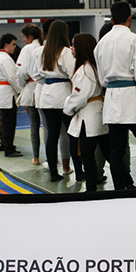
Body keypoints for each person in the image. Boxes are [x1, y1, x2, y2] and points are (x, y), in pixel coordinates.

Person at [94, 1, 136, 189]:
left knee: (116, 149)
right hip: (133, 99)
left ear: (112, 19)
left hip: (112, 98)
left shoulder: (101, 44)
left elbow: (102, 80)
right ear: (130, 18)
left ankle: (119, 190)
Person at [64, 33, 110, 192]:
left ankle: (91, 188)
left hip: (88, 116)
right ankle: (126, 181)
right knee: (107, 152)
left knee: (87, 154)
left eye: (74, 45)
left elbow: (79, 96)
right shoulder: (93, 67)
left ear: (81, 48)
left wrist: (67, 110)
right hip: (97, 113)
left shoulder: (85, 69)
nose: (71, 48)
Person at [39, 20, 83, 181]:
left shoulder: (44, 52)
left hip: (46, 95)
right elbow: (74, 72)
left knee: (52, 135)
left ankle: (53, 173)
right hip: (62, 95)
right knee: (72, 135)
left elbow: (38, 73)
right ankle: (79, 172)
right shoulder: (65, 52)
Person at [16, 23, 43, 165]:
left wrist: (21, 85)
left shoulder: (28, 49)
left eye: (24, 37)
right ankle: (54, 156)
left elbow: (21, 72)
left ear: (30, 36)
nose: (23, 40)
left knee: (34, 125)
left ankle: (36, 157)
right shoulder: (44, 46)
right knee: (48, 126)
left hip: (32, 87)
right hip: (46, 88)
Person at [0, 33, 22, 156]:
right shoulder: (5, 59)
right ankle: (9, 148)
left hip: (3, 91)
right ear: (6, 45)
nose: (14, 47)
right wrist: (20, 91)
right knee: (9, 123)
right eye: (13, 44)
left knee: (6, 122)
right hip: (8, 93)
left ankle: (7, 145)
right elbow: (12, 77)